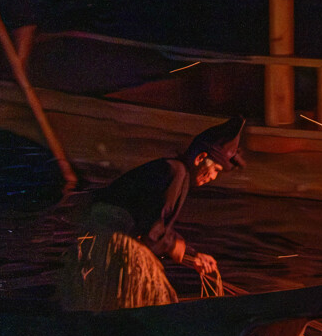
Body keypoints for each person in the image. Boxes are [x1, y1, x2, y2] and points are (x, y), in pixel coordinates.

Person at [59, 117, 246, 311]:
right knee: (157, 299)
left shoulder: (175, 172)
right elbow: (152, 232)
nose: (213, 177)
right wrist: (186, 255)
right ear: (200, 157)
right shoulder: (176, 171)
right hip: (112, 241)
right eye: (215, 169)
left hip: (104, 239)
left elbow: (154, 226)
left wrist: (192, 255)